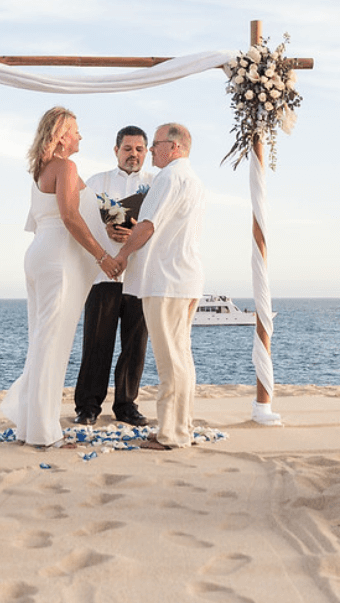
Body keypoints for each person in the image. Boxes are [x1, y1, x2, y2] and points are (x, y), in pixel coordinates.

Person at [2, 107, 116, 447]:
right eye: (76, 130)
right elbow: (70, 215)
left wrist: (124, 217)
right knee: (52, 345)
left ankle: (30, 427)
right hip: (58, 260)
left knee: (41, 342)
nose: (80, 136)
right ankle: (44, 432)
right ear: (61, 136)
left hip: (39, 254)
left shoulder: (43, 169)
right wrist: (102, 255)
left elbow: (94, 202)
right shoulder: (66, 167)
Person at [113, 123, 206, 451]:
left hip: (166, 279)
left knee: (170, 361)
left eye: (156, 144)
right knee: (181, 356)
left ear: (176, 147)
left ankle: (171, 434)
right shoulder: (192, 179)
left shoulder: (169, 178)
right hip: (184, 277)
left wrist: (123, 254)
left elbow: (148, 226)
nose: (150, 150)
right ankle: (183, 426)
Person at [72, 125, 155, 427]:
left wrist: (135, 233)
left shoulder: (156, 184)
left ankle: (126, 405)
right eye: (128, 148)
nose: (133, 154)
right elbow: (80, 221)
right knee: (97, 342)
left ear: (146, 152)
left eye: (139, 149)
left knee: (135, 344)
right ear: (116, 150)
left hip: (139, 275)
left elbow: (161, 225)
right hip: (103, 274)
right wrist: (105, 228)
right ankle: (88, 406)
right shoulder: (97, 181)